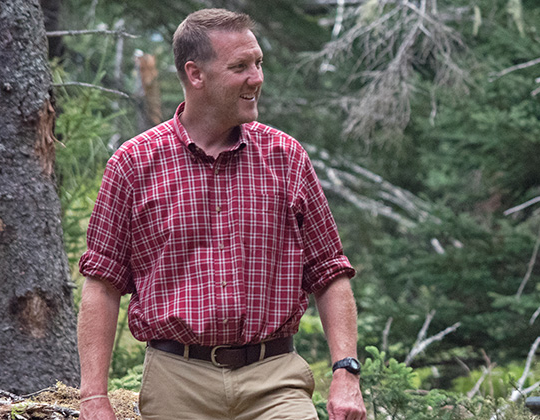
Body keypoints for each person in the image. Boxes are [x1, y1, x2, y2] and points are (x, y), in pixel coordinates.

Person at [76, 9, 366, 420]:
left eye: (259, 63)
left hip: (275, 379)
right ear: (196, 74)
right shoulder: (133, 164)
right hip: (176, 383)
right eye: (240, 67)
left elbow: (329, 272)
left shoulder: (286, 158)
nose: (257, 78)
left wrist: (345, 372)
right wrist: (93, 397)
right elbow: (103, 285)